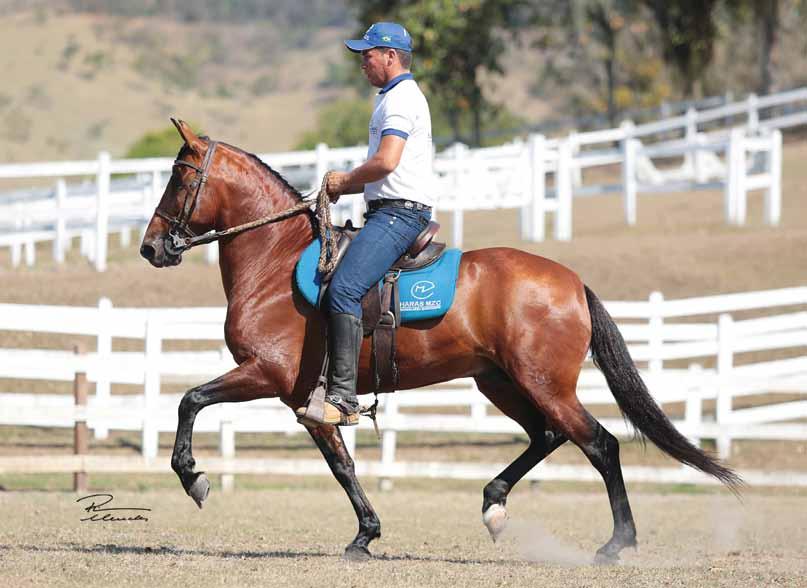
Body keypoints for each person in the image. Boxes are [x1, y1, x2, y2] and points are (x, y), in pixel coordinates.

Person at [296, 22, 434, 426]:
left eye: (367, 54)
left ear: (390, 56)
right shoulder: (391, 98)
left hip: (399, 215)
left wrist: (344, 180)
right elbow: (389, 172)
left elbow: (387, 162)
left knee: (345, 289)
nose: (362, 62)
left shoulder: (400, 100)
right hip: (388, 208)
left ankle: (343, 399)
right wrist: (348, 188)